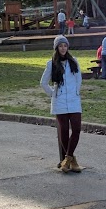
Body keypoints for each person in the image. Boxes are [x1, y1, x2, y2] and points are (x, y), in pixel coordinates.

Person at [39, 35, 83, 173]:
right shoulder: (51, 63)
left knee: (76, 129)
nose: (63, 48)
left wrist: (75, 92)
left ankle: (68, 159)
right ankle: (72, 160)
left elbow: (78, 79)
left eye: (65, 45)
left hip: (73, 100)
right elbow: (43, 83)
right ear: (56, 48)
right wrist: (53, 93)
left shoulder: (73, 61)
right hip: (60, 101)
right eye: (60, 46)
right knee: (63, 130)